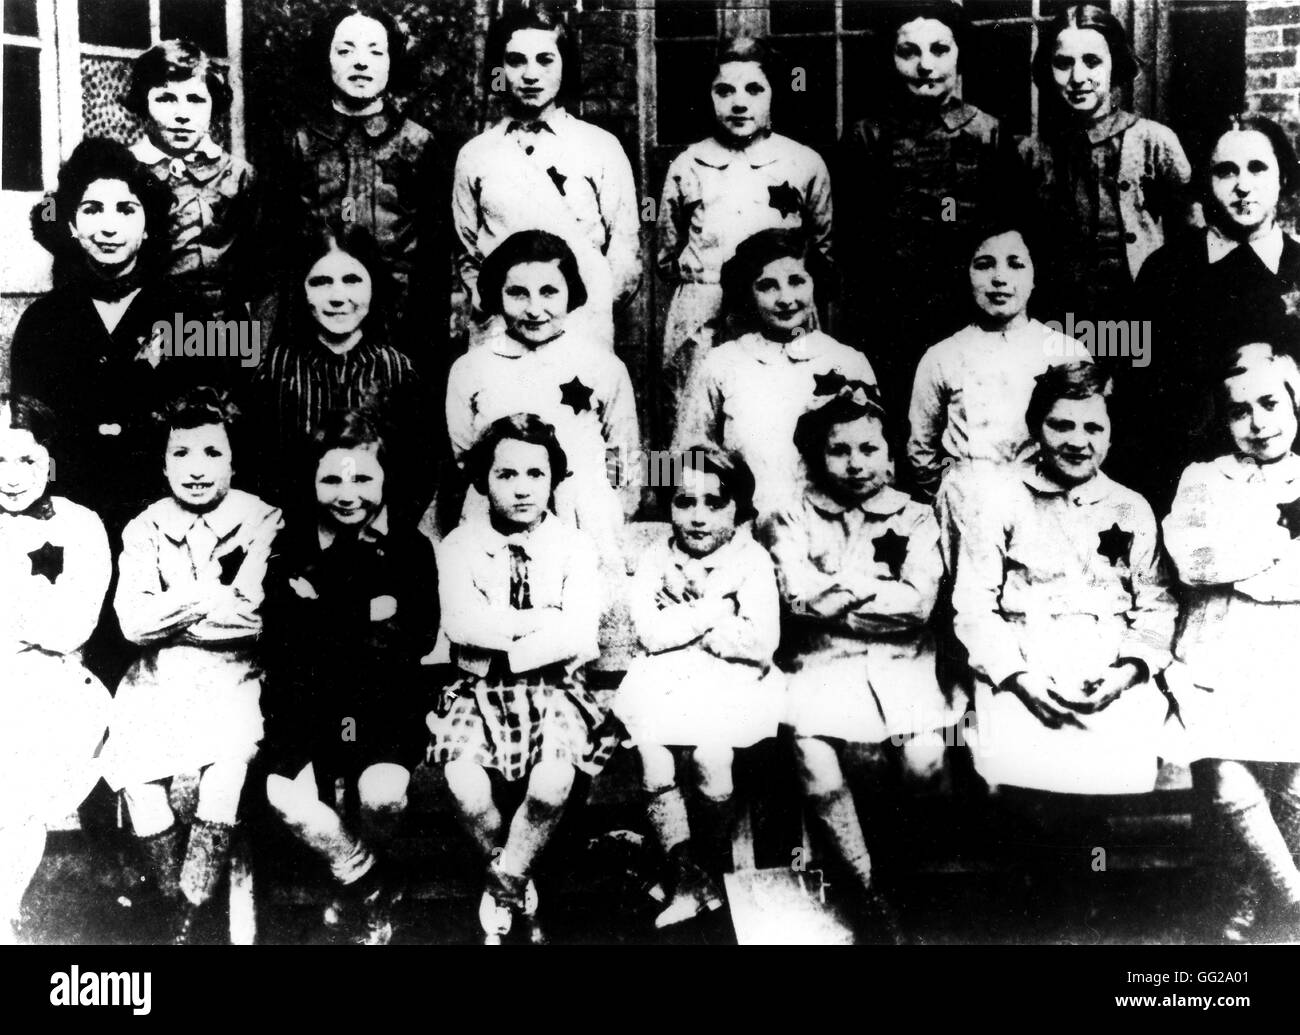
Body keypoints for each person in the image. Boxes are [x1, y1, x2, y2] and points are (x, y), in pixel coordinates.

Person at [762, 390, 951, 942]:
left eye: (869, 448)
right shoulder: (791, 515)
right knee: (815, 760)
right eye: (839, 450)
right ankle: (868, 896)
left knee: (927, 763)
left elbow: (917, 606)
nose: (856, 462)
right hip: (820, 666)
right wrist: (871, 594)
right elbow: (795, 598)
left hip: (903, 666)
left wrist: (835, 596)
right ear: (817, 457)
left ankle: (900, 879)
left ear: (890, 455)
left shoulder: (916, 516)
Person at [99, 388, 283, 944]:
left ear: (233, 459)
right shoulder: (145, 526)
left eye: (211, 453)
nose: (196, 470)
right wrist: (209, 595)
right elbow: (132, 623)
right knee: (139, 783)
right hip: (157, 676)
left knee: (223, 776)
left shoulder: (261, 518)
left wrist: (176, 606)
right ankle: (179, 902)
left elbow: (253, 617)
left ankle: (190, 913)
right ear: (163, 463)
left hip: (234, 673)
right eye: (181, 454)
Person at [429, 414, 621, 944]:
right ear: (483, 481)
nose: (521, 489)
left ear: (554, 479)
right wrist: (541, 623)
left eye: (535, 474)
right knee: (464, 785)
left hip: (555, 688)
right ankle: (518, 876)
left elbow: (579, 636)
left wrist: (508, 641)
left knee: (552, 781)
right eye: (506, 475)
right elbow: (462, 625)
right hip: (477, 689)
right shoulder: (459, 547)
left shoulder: (574, 547)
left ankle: (505, 883)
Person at [261, 409, 439, 946]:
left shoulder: (409, 548)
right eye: (332, 478)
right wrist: (368, 612)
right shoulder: (291, 545)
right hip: (309, 703)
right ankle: (364, 880)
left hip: (382, 702)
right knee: (282, 795)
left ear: (385, 479)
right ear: (311, 481)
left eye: (362, 477)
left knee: (381, 791)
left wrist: (322, 609)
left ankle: (355, 886)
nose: (347, 493)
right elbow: (282, 637)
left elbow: (417, 637)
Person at [10, 138, 230, 537]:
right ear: (72, 226)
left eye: (126, 210)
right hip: (69, 521)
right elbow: (30, 440)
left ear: (148, 228)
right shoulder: (43, 321)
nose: (109, 226)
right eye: (92, 210)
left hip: (170, 516)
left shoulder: (187, 314)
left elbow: (212, 425)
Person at [1162, 343, 1300, 943]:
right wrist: (1270, 550)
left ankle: (1252, 902)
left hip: (1289, 644)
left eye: (1270, 403)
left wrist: (1243, 555)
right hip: (1220, 640)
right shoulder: (1203, 478)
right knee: (1224, 772)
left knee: (1295, 782)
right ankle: (1293, 897)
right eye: (1240, 411)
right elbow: (1194, 559)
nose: (1258, 422)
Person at [615, 447, 783, 929]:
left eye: (715, 503)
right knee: (653, 756)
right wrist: (716, 610)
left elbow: (758, 643)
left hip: (733, 685)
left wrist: (683, 621)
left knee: (713, 756)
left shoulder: (751, 560)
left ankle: (705, 868)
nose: (698, 517)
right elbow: (650, 632)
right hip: (665, 684)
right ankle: (685, 875)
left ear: (738, 508)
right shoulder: (654, 559)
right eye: (684, 502)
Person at [836, 1, 1005, 422]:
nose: (924, 65)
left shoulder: (987, 132)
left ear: (960, 54)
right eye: (908, 52)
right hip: (884, 314)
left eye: (939, 50)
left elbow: (1004, 230)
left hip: (965, 312)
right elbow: (850, 237)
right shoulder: (867, 135)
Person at [1129, 115, 1300, 512]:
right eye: (1226, 172)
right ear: (1206, 183)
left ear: (1283, 179)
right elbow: (1135, 385)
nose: (1243, 185)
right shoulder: (1164, 270)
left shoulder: (1297, 266)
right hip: (1183, 486)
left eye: (1258, 168)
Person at [452, 2, 640, 349]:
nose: (530, 74)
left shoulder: (600, 147)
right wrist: (494, 308)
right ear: (500, 69)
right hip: (500, 334)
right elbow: (468, 253)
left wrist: (585, 314)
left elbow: (625, 252)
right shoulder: (476, 155)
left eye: (545, 59)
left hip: (580, 333)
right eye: (516, 61)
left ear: (564, 66)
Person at [658, 35, 833, 403]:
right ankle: (673, 465)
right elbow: (667, 257)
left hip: (781, 313)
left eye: (754, 89)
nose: (739, 102)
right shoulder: (688, 165)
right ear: (709, 96)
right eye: (724, 91)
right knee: (692, 415)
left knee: (783, 410)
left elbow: (822, 252)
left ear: (773, 94)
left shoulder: (804, 163)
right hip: (704, 317)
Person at [444, 229, 639, 559]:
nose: (535, 309)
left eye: (549, 292)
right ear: (497, 294)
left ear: (570, 292)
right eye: (518, 293)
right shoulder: (470, 369)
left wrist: (610, 512)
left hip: (582, 517)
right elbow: (465, 458)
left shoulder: (602, 365)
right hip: (497, 520)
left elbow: (625, 458)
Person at [0, 395, 113, 944]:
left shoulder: (80, 524)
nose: (11, 477)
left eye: (25, 460)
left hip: (52, 692)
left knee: (15, 789)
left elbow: (73, 624)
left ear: (50, 462)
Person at [283, 2, 445, 362]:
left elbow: (435, 256)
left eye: (375, 51)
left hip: (401, 325)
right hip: (315, 325)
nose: (361, 62)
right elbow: (277, 250)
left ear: (391, 61)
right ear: (325, 58)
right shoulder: (298, 141)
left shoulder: (418, 144)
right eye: (345, 50)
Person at [674, 228, 874, 518]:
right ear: (748, 292)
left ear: (815, 283)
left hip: (830, 530)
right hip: (747, 533)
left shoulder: (849, 362)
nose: (785, 298)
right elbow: (684, 457)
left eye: (796, 281)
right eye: (767, 286)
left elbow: (876, 462)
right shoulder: (720, 364)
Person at [1017, 2, 1190, 320]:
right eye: (1063, 63)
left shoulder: (1155, 141)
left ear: (1115, 64)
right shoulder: (1033, 153)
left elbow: (1192, 240)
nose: (1077, 77)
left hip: (1141, 317)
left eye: (1092, 61)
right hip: (1061, 320)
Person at [252, 218, 431, 524]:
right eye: (321, 282)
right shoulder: (276, 368)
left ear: (374, 284)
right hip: (293, 535)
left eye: (352, 280)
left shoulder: (397, 369)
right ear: (301, 289)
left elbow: (414, 473)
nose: (337, 296)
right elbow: (260, 467)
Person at [907, 221, 1089, 507]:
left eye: (1015, 264)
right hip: (968, 509)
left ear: (1035, 274)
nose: (999, 278)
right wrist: (952, 498)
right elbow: (922, 450)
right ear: (965, 274)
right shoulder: (942, 357)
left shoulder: (1066, 353)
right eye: (984, 265)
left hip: (1046, 508)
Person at [125, 38, 260, 316]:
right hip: (148, 318)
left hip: (223, 326)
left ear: (214, 105)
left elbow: (260, 269)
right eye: (166, 99)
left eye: (196, 100)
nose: (183, 114)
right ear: (142, 104)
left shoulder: (239, 174)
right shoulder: (125, 171)